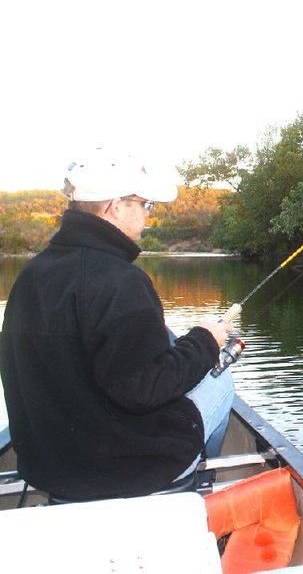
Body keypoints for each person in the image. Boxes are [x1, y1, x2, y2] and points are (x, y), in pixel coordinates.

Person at [0, 148, 235, 501]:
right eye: (143, 205)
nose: (146, 215)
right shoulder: (120, 281)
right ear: (114, 207)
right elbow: (146, 389)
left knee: (170, 340)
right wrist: (206, 341)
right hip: (122, 471)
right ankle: (191, 483)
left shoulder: (32, 275)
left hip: (50, 468)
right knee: (222, 384)